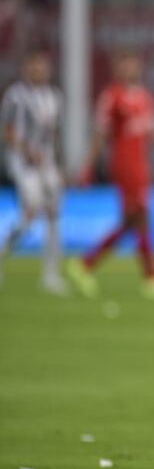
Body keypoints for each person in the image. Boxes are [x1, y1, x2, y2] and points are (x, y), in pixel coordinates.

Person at [66, 50, 154, 300]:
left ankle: (85, 265)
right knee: (140, 217)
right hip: (123, 166)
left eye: (134, 63)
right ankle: (150, 278)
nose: (130, 69)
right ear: (116, 68)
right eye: (125, 64)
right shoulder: (112, 97)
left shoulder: (143, 97)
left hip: (140, 166)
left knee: (132, 220)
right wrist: (88, 166)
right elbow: (101, 135)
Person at [0, 48, 67, 295]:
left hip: (46, 161)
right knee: (30, 214)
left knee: (53, 213)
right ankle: (4, 250)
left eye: (43, 65)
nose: (39, 70)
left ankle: (51, 275)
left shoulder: (54, 96)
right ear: (26, 68)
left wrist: (58, 165)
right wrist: (26, 149)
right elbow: (7, 132)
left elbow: (55, 135)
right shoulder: (15, 96)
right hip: (22, 161)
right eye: (35, 65)